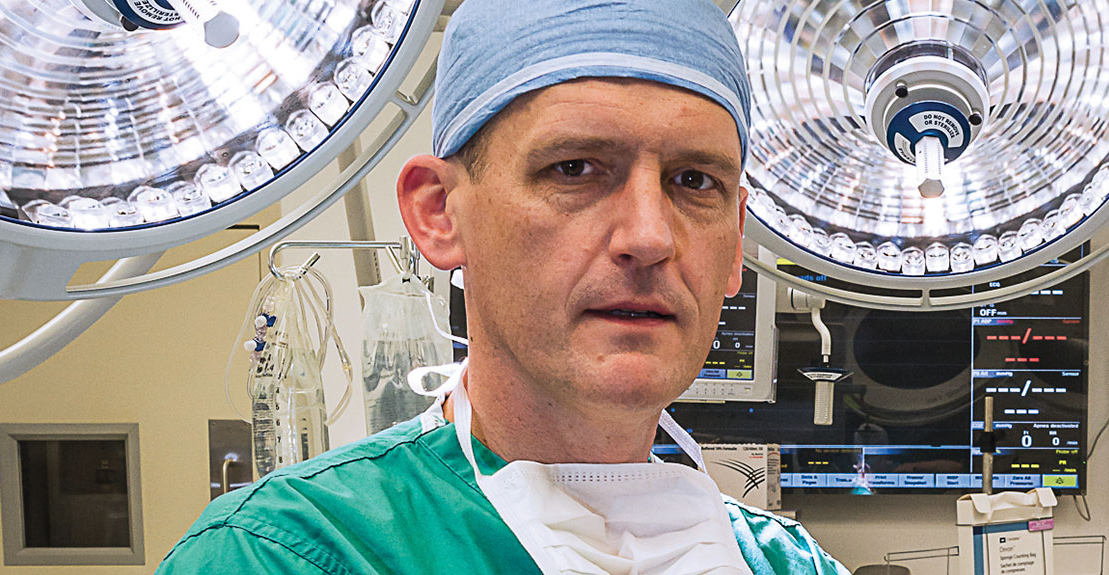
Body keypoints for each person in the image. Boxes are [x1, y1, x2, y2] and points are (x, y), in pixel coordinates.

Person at [158, 1, 848, 573]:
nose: (650, 236)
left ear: (734, 240)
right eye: (575, 167)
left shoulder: (788, 563)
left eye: (694, 181)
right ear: (439, 212)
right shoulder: (286, 554)